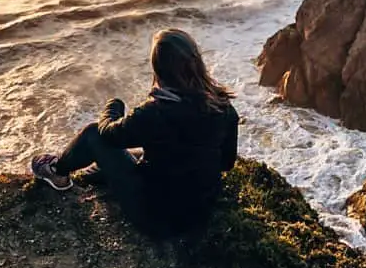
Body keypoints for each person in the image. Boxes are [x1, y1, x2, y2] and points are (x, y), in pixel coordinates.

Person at [31, 29, 238, 236]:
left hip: (155, 217)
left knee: (93, 134)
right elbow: (226, 163)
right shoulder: (222, 105)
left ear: (159, 69)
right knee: (159, 157)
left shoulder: (155, 111)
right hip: (200, 212)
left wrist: (113, 107)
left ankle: (57, 171)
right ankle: (97, 173)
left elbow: (108, 134)